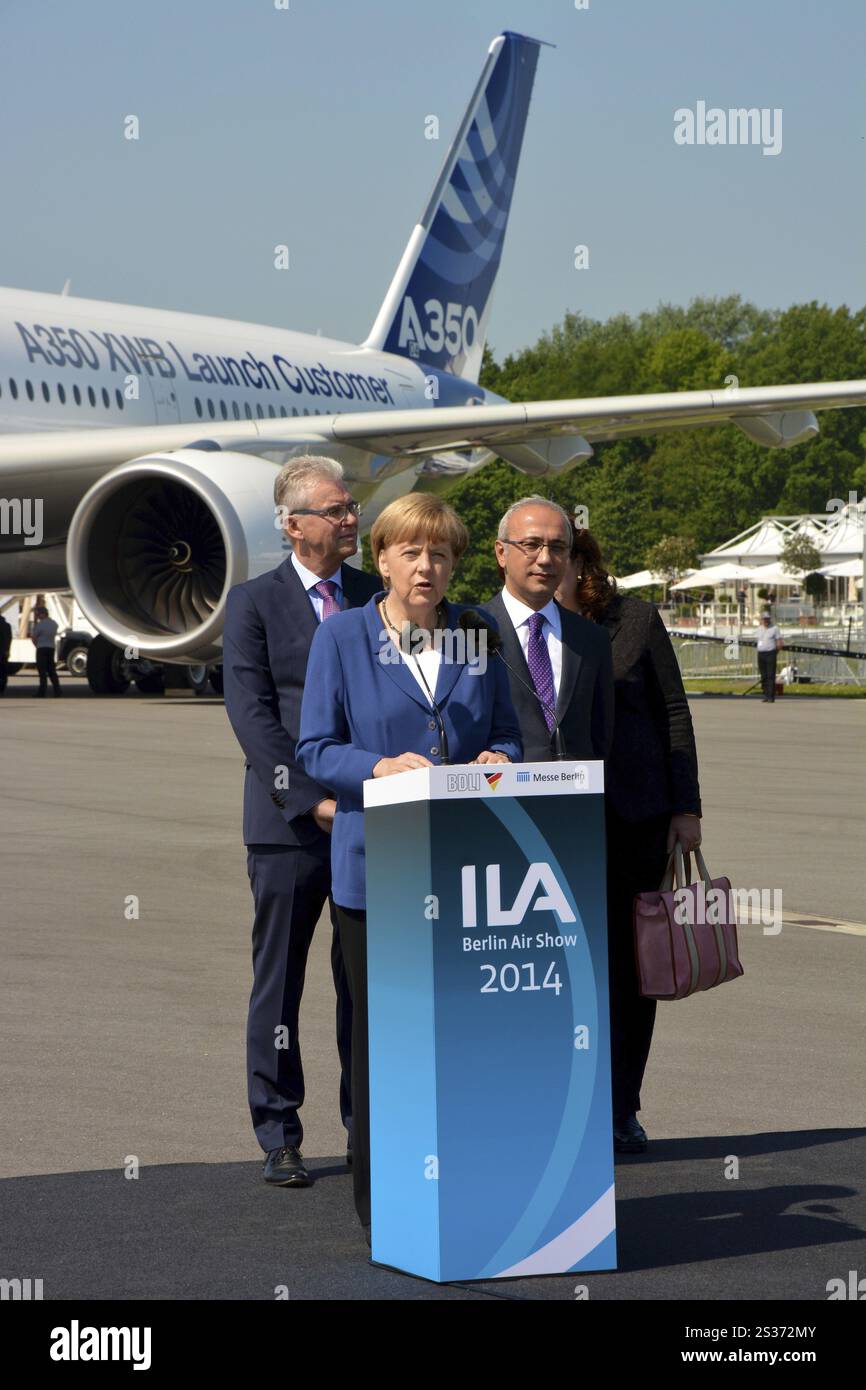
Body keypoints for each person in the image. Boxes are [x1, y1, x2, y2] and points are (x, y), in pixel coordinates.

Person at [296, 493, 522, 1241]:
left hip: (464, 872)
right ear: (382, 558)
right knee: (380, 1037)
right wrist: (377, 766)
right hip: (377, 868)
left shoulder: (474, 634)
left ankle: (465, 1189)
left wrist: (500, 757)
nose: (427, 567)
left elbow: (509, 734)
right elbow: (315, 750)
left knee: (456, 1033)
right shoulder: (345, 637)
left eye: (442, 554)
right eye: (411, 552)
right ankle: (382, 1201)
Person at [222, 455, 381, 1189]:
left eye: (352, 509)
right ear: (292, 525)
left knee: (366, 983)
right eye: (336, 510)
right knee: (278, 983)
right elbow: (254, 720)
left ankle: (368, 1128)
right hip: (288, 826)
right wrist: (310, 801)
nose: (352, 519)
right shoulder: (253, 603)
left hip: (369, 821)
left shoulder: (375, 596)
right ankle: (279, 1132)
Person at [556, 527, 702, 1154]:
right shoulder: (508, 628)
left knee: (631, 970)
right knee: (564, 968)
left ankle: (621, 1107)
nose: (548, 561)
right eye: (536, 550)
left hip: (634, 816)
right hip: (552, 823)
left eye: (561, 551)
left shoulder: (633, 619)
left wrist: (685, 806)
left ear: (581, 561)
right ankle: (564, 1103)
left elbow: (674, 710)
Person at [481, 496, 613, 760]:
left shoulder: (591, 638)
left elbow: (602, 735)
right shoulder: (469, 632)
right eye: (531, 545)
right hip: (499, 795)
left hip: (576, 796)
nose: (545, 558)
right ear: (500, 553)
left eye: (557, 547)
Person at [30, 605, 61, 697]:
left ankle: (42, 691)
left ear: (43, 614)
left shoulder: (40, 625)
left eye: (38, 614)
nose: (38, 616)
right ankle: (57, 690)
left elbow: (34, 638)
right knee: (52, 670)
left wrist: (37, 646)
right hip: (51, 648)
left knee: (42, 671)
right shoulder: (54, 624)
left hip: (41, 648)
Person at [756, 612, 783, 703]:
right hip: (761, 654)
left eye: (767, 619)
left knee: (770, 675)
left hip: (770, 653)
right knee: (764, 675)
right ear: (761, 620)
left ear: (769, 619)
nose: (766, 621)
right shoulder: (759, 629)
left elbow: (779, 643)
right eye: (764, 619)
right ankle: (766, 694)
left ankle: (771, 696)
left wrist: (775, 652)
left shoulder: (775, 628)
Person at [0, 610, 11, 695]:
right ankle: (2, 687)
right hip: (4, 651)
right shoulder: (7, 625)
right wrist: (7, 650)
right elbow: (9, 639)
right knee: (3, 670)